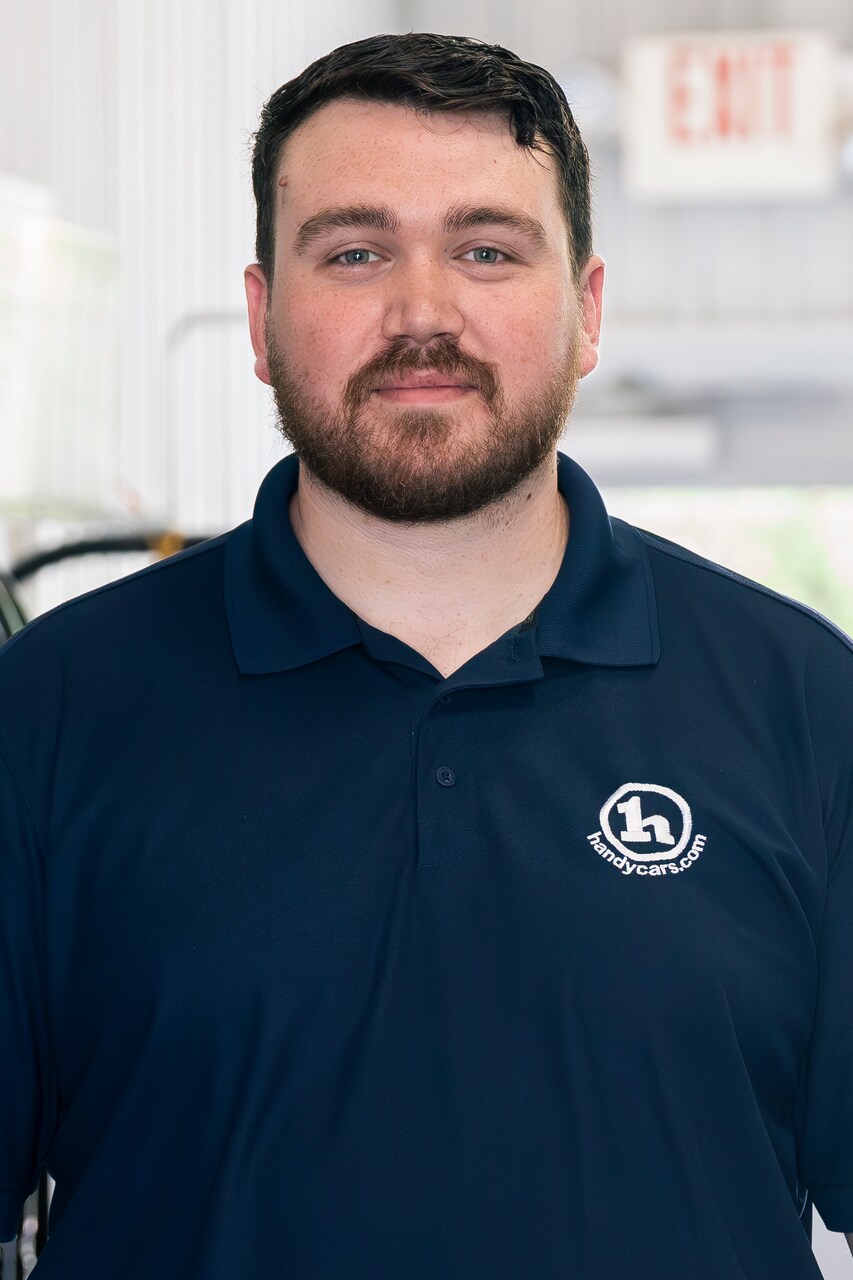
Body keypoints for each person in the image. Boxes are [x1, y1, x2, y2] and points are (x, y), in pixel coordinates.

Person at [0, 31, 851, 1280]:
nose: (421, 314)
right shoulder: (49, 710)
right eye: (354, 251)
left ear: (586, 310)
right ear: (262, 317)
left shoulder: (806, 704)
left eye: (486, 249)